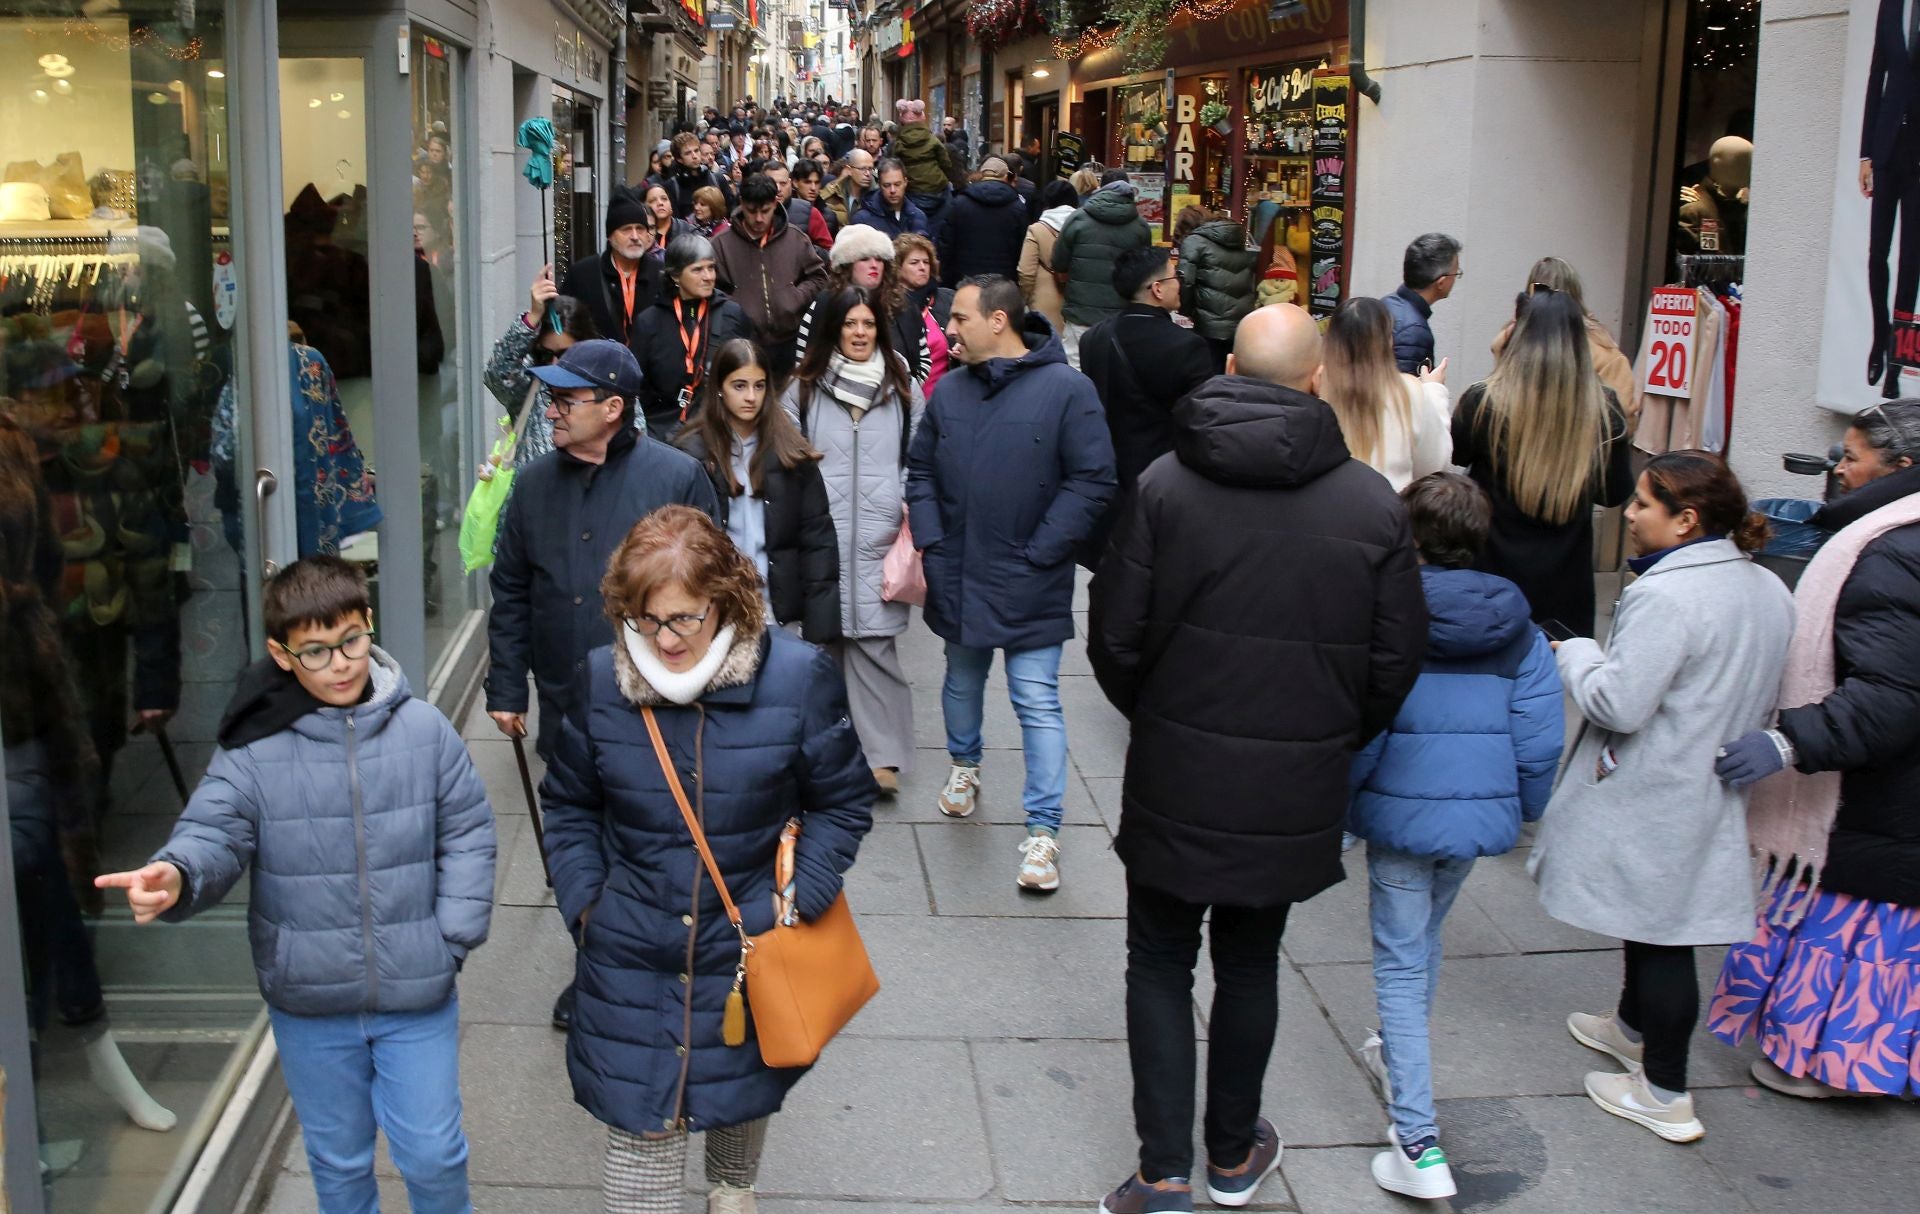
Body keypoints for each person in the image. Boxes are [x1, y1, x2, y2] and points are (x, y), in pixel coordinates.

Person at [1086, 304, 1427, 1214]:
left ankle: (1164, 1172)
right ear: (1316, 379)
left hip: (1176, 766)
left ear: (1230, 364)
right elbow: (1396, 662)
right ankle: (1232, 1155)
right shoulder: (1368, 502)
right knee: (1250, 961)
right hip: (1293, 776)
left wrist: (1157, 715)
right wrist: (1328, 732)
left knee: (1158, 960)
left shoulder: (1164, 485)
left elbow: (1113, 638)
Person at [98, 555, 496, 1213]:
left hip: (416, 993)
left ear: (368, 624)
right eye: (315, 652)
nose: (339, 664)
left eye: (350, 641)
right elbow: (214, 828)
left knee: (433, 1152)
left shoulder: (424, 732)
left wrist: (450, 936)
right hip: (311, 1002)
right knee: (337, 1164)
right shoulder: (254, 749)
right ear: (282, 657)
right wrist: (176, 873)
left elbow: (469, 832)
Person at [539, 506, 875, 1214]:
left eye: (684, 619)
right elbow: (569, 804)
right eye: (647, 621)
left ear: (724, 601)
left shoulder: (798, 678)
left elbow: (843, 801)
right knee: (640, 1148)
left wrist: (797, 901)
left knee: (740, 1090)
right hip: (631, 955)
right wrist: (587, 906)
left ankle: (732, 1189)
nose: (665, 642)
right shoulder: (602, 682)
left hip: (747, 943)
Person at [1530, 451, 1792, 1144]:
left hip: (1653, 782)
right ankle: (1630, 1029)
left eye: (1645, 504)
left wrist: (1577, 654)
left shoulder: (1666, 595)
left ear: (1686, 520)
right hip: (1708, 779)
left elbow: (1620, 701)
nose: (1632, 513)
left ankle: (1665, 1091)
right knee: (1650, 914)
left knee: (1662, 937)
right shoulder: (1766, 588)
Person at [484, 339, 719, 1030]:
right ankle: (595, 967)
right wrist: (505, 688)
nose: (551, 411)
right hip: (566, 707)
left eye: (566, 399)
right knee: (580, 848)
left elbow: (717, 593)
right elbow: (512, 591)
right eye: (551, 398)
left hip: (656, 709)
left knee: (650, 844)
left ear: (614, 409)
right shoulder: (532, 487)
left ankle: (666, 965)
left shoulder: (676, 478)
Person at [1345, 472, 1564, 1200]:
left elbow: (1365, 725)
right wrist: (1521, 809)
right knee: (1426, 939)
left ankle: (1417, 1139)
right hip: (1475, 817)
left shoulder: (1390, 617)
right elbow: (1538, 744)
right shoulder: (1520, 631)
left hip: (1400, 816)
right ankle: (1391, 1052)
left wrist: (1346, 808)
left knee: (1402, 963)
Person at [1709, 400, 1920, 1100]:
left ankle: (1843, 1067)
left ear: (1902, 468)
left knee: (1865, 931)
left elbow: (1893, 700)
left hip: (1882, 803)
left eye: (1852, 457)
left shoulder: (1892, 548)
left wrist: (1789, 738)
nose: (1838, 469)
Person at [907, 276, 1116, 889]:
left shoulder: (1068, 391)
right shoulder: (950, 392)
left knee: (1036, 699)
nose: (951, 329)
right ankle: (964, 765)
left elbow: (1094, 478)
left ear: (999, 321)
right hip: (961, 569)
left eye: (962, 319)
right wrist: (932, 541)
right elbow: (920, 471)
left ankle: (1044, 832)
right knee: (961, 679)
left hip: (1031, 576)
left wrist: (1044, 550)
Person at [4, 413, 177, 1137]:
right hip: (28, 672)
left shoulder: (15, 441)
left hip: (21, 683)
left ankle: (54, 1072)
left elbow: (46, 564)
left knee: (36, 874)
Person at [784, 287, 924, 795]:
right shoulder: (802, 388)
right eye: (850, 324)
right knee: (825, 645)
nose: (860, 333)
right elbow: (787, 460)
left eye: (868, 324)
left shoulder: (903, 386)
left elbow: (919, 455)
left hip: (881, 536)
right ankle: (828, 752)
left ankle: (882, 755)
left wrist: (902, 500)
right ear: (834, 330)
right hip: (822, 533)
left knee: (875, 644)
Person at [1452, 287, 1633, 634]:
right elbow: (1613, 493)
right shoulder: (1604, 408)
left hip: (1493, 572)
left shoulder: (1484, 400)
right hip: (1565, 583)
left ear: (1518, 335)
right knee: (1550, 682)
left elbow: (1458, 455)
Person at [676, 339, 839, 642]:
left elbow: (818, 540)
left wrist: (820, 629)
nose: (751, 397)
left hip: (779, 613)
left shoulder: (791, 452)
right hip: (716, 613)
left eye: (759, 386)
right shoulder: (692, 455)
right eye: (740, 386)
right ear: (719, 389)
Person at [1076, 246, 1216, 565]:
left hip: (1104, 490)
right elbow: (1202, 423)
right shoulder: (1187, 347)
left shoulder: (1093, 339)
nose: (1180, 282)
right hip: (1160, 489)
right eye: (1175, 276)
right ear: (1157, 289)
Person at [628, 234, 756, 437]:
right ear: (675, 275)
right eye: (698, 269)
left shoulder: (733, 315)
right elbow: (637, 384)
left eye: (711, 267)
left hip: (720, 429)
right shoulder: (649, 322)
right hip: (662, 432)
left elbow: (751, 370)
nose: (708, 276)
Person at [1491, 257, 1639, 429]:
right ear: (1576, 296)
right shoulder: (1604, 354)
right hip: (1580, 449)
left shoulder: (1511, 341)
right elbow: (1622, 421)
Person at [1323, 297, 1452, 491]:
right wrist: (1434, 391)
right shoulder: (1409, 393)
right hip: (1390, 513)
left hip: (1329, 512)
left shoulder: (1317, 388)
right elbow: (1436, 465)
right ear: (1387, 341)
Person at [711, 173, 830, 378]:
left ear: (775, 204)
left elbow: (819, 277)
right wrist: (735, 306)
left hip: (790, 342)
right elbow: (712, 289)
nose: (758, 218)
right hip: (743, 344)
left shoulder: (795, 238)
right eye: (752, 211)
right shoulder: (720, 244)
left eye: (765, 211)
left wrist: (795, 296)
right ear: (741, 204)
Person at [485, 266, 605, 464]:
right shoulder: (530, 386)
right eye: (547, 353)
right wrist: (532, 318)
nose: (556, 363)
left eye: (566, 353)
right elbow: (497, 374)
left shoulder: (608, 381)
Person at [1862, 0, 1920, 395]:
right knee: (1877, 253)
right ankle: (1880, 337)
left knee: (1910, 260)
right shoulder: (1891, 6)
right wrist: (1865, 153)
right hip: (1886, 148)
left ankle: (1898, 361)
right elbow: (1876, 77)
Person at [794, 225, 930, 380]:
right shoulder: (824, 304)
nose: (874, 264)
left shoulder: (904, 304)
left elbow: (923, 360)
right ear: (848, 265)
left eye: (879, 258)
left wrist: (903, 394)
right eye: (864, 258)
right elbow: (803, 361)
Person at [1051, 174, 1152, 369]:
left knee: (1076, 370)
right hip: (1122, 318)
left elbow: (1059, 262)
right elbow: (1144, 271)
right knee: (1114, 373)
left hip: (1081, 312)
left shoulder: (1078, 218)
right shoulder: (1140, 227)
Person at [560, 187, 663, 356]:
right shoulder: (582, 275)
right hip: (596, 372)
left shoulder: (661, 274)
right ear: (610, 236)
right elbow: (564, 326)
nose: (635, 236)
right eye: (626, 229)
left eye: (640, 228)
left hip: (648, 376)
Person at [1178, 210, 1258, 371]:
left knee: (1210, 372)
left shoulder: (1194, 241)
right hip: (1240, 320)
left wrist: (1185, 309)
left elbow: (1185, 281)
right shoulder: (1236, 237)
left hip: (1209, 322)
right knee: (1232, 371)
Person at [937, 157, 1031, 287]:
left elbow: (946, 244)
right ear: (1005, 177)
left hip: (966, 280)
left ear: (981, 175)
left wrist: (946, 279)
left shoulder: (960, 203)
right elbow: (1023, 247)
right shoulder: (1017, 207)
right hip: (1003, 283)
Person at [1383, 233, 1462, 374]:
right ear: (1441, 282)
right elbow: (1408, 391)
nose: (1456, 279)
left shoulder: (1386, 303)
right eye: (1456, 274)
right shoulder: (1415, 332)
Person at [1018, 179, 1080, 336]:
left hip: (1044, 302)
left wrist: (1025, 298)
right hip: (1077, 301)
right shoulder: (1083, 227)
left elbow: (1026, 271)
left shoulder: (1036, 229)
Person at [896, 232, 955, 394]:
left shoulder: (946, 298)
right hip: (909, 400)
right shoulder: (890, 305)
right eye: (914, 262)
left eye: (926, 262)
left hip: (945, 399)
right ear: (898, 268)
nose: (922, 267)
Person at [891, 99, 957, 237]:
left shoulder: (897, 142)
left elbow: (892, 165)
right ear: (921, 116)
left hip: (912, 191)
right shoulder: (933, 139)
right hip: (938, 189)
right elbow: (946, 163)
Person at [850, 158, 931, 239]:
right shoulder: (862, 220)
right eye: (887, 185)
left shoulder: (918, 216)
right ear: (879, 185)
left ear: (905, 182)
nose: (892, 190)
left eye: (897, 184)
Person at [786, 159, 835, 249]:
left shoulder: (829, 215)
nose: (813, 188)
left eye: (817, 183)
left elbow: (831, 251)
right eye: (807, 182)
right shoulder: (785, 210)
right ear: (795, 182)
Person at [820, 149, 875, 228]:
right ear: (849, 170)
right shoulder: (831, 193)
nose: (868, 174)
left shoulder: (876, 197)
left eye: (870, 169)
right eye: (863, 169)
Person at [640, 182, 690, 261]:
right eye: (653, 200)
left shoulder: (688, 229)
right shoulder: (639, 233)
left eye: (664, 199)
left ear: (670, 205)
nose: (660, 203)